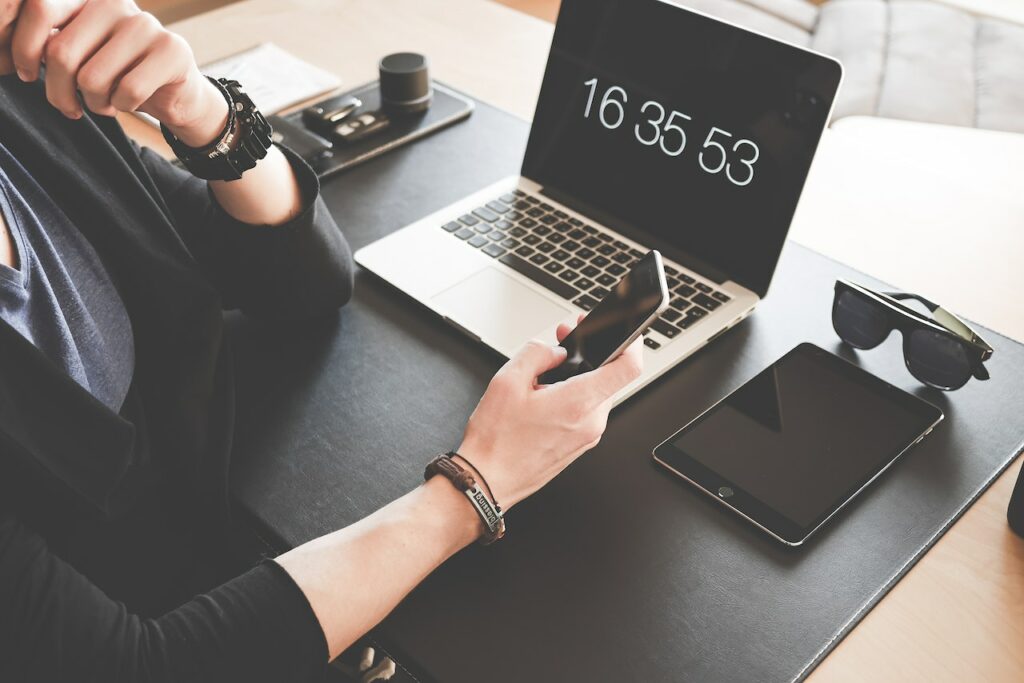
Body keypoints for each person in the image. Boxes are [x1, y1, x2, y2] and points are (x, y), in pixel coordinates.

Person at [0, 1, 644, 680]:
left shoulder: (29, 104)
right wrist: (479, 483)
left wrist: (204, 112)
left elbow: (302, 283)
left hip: (219, 549)